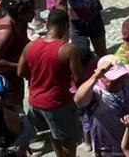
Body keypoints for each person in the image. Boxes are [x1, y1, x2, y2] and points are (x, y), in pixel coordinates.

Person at [18, 8, 83, 157]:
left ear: (47, 25)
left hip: (35, 102)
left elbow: (20, 72)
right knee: (69, 141)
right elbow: (79, 79)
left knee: (53, 134)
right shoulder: (68, 50)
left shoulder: (30, 46)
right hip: (58, 103)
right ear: (66, 26)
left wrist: (36, 79)